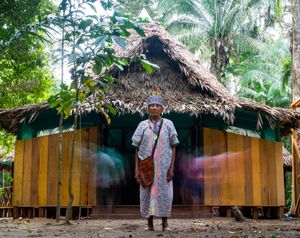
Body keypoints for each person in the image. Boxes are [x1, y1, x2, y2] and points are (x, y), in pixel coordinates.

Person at [132, 95, 179, 231]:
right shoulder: (142, 126)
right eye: (151, 105)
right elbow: (136, 148)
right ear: (147, 108)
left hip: (163, 168)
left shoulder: (169, 124)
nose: (154, 107)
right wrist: (136, 170)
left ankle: (165, 224)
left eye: (157, 105)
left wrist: (171, 168)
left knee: (165, 194)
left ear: (162, 108)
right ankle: (149, 224)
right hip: (146, 168)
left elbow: (174, 146)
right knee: (147, 194)